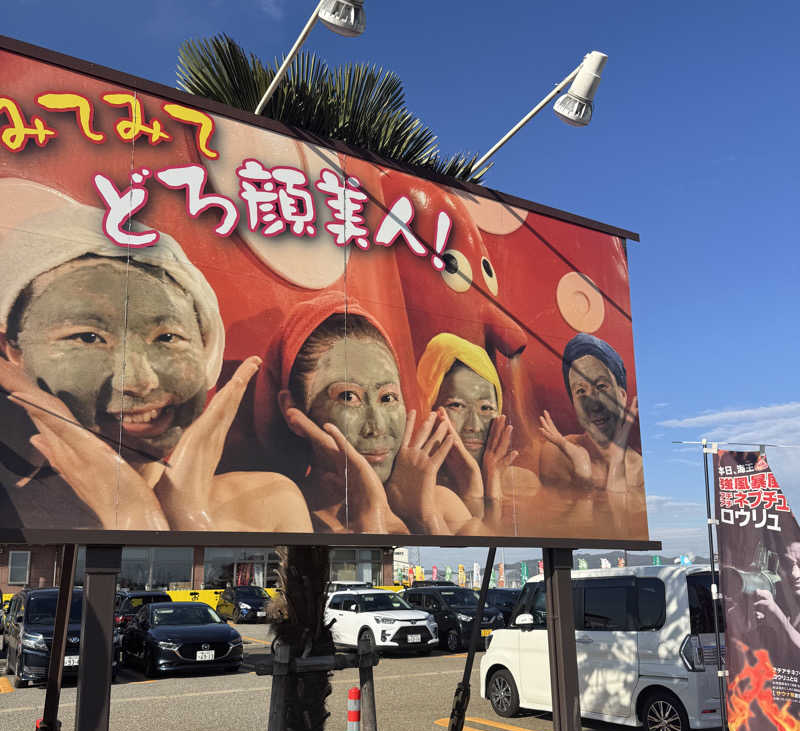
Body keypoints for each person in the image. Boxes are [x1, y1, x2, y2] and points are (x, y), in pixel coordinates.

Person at [0, 178, 310, 532]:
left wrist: (183, 516)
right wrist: (133, 512)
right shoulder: (14, 517)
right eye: (88, 338)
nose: (140, 380)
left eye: (167, 337)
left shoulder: (269, 502)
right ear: (14, 353)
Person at [265, 294, 477, 535]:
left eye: (388, 398)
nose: (376, 426)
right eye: (348, 397)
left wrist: (425, 517)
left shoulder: (439, 504)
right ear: (293, 408)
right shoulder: (277, 513)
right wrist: (373, 512)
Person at [416, 333, 538, 527]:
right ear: (429, 408)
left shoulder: (523, 484)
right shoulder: (419, 493)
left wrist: (492, 492)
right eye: (456, 405)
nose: (474, 425)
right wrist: (473, 492)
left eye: (486, 408)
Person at [539, 332, 642, 494]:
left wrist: (617, 462)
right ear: (573, 404)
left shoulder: (641, 473)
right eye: (581, 391)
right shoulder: (557, 455)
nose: (594, 406)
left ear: (622, 396)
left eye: (601, 387)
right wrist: (582, 470)